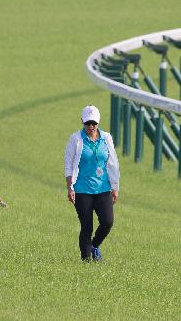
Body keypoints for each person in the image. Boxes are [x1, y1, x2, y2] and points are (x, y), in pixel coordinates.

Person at [64, 105, 119, 262]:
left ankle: (94, 246)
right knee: (87, 226)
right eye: (88, 123)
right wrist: (70, 187)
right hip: (82, 190)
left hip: (103, 188)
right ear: (82, 121)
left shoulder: (106, 138)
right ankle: (86, 259)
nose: (91, 126)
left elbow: (113, 163)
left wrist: (115, 187)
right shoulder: (76, 139)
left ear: (98, 122)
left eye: (93, 123)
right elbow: (68, 163)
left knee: (107, 222)